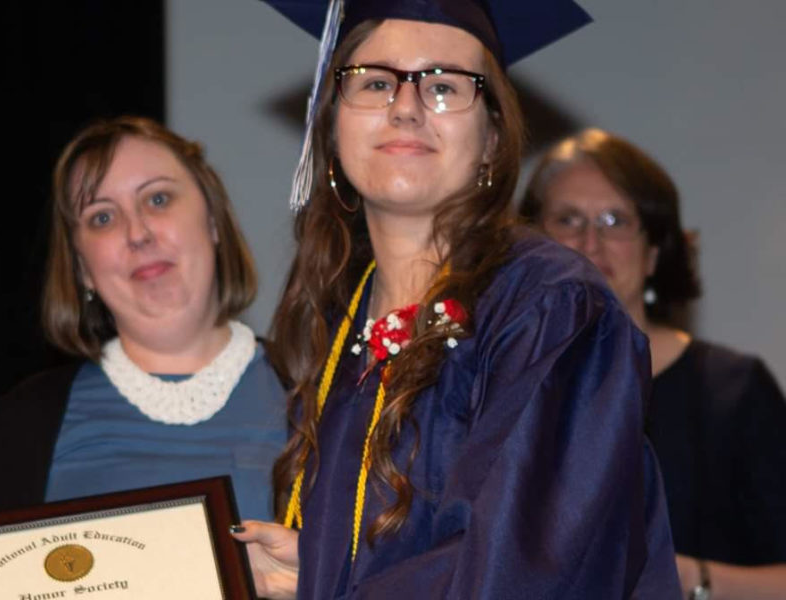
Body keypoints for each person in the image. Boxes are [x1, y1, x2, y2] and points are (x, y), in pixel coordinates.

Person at [231, 1, 680, 597]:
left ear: (493, 140)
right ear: (333, 128)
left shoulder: (551, 309)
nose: (406, 107)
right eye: (375, 82)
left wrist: (327, 584)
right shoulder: (341, 321)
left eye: (444, 86)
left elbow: (522, 574)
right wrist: (314, 564)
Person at [0, 116, 286, 521]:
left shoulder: (318, 395)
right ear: (82, 267)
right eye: (103, 217)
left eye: (158, 199)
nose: (138, 233)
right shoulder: (25, 421)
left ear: (211, 220)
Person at [520, 128, 786, 600]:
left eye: (615, 220)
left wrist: (690, 581)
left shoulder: (733, 391)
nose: (589, 241)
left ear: (654, 252)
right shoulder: (502, 389)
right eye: (567, 219)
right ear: (533, 243)